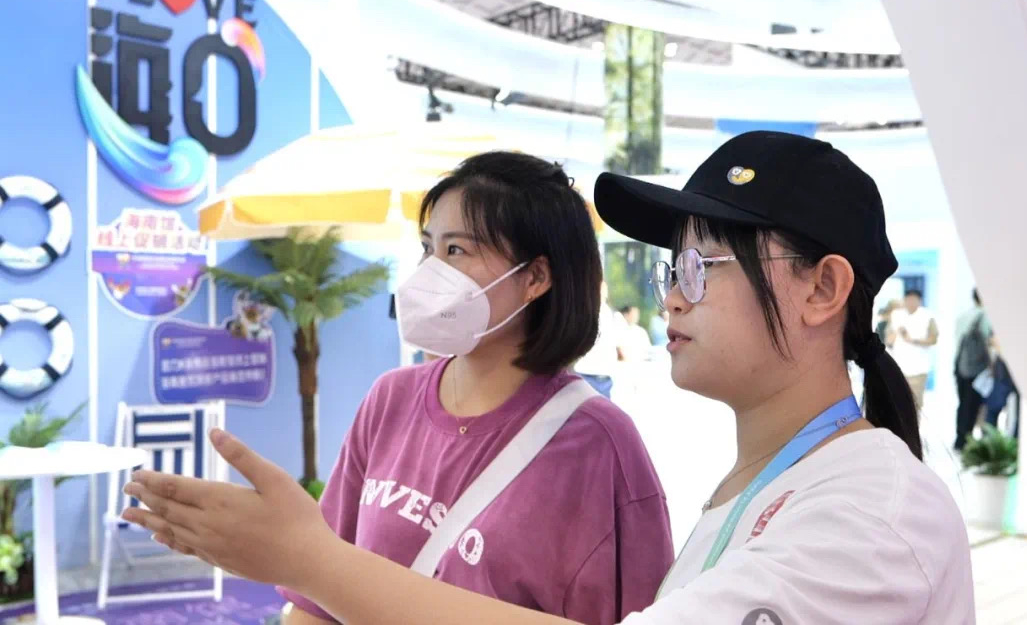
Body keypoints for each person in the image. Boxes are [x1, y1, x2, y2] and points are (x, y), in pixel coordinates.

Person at [121, 132, 975, 624]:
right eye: (670, 269)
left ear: (823, 289)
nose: (673, 296)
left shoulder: (872, 514)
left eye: (700, 266)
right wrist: (309, 568)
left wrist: (310, 558)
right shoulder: (753, 491)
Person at [285, 152, 676, 624]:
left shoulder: (600, 443)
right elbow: (316, 595)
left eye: (457, 251)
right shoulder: (390, 399)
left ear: (534, 278)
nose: (431, 272)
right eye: (428, 248)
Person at [953, 288, 994, 449]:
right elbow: (988, 343)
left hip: (960, 365)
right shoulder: (984, 316)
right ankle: (968, 440)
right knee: (973, 405)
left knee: (963, 403)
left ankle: (960, 439)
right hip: (976, 368)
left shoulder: (963, 315)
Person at [887, 289, 939, 412]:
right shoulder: (896, 315)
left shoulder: (927, 316)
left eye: (914, 299)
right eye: (908, 299)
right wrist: (897, 333)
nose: (911, 302)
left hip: (919, 368)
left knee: (915, 402)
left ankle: (914, 424)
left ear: (920, 301)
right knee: (898, 401)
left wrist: (914, 340)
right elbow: (888, 339)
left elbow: (933, 339)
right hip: (899, 366)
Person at [574, 281, 622, 399]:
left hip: (603, 375)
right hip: (585, 372)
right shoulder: (583, 312)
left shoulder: (613, 315)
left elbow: (619, 346)